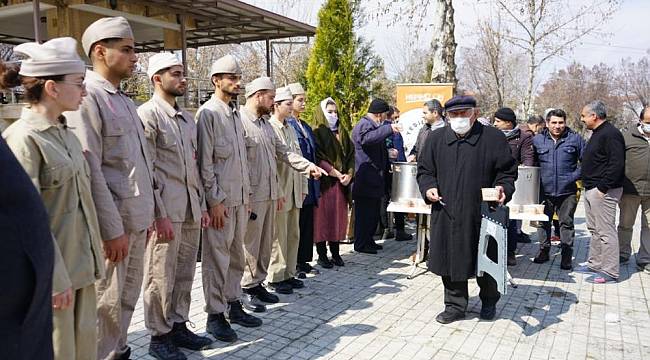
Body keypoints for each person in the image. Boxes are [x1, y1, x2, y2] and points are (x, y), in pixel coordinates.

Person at [1, 38, 103, 360]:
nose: (84, 91)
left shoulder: (66, 135)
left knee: (85, 350)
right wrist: (55, 279)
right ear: (52, 88)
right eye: (78, 84)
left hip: (82, 269)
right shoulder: (21, 139)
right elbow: (25, 225)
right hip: (53, 282)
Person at [66, 17, 156, 360]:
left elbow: (138, 166)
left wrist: (150, 214)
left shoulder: (123, 100)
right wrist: (111, 229)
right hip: (113, 229)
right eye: (128, 50)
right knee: (105, 308)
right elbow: (91, 171)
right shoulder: (89, 99)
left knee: (125, 301)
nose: (136, 57)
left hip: (135, 221)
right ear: (100, 52)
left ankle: (119, 352)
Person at [138, 53, 213, 359]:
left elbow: (193, 168)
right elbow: (147, 169)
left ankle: (178, 324)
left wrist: (203, 206)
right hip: (166, 212)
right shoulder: (148, 115)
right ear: (158, 78)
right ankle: (159, 335)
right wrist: (158, 214)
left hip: (190, 209)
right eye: (176, 74)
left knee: (183, 272)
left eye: (183, 74)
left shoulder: (186, 119)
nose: (183, 79)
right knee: (160, 275)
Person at [417, 95, 517, 324]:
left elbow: (507, 172)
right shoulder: (436, 138)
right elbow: (424, 171)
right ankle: (454, 305)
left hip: (483, 212)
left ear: (475, 113)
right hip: (447, 210)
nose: (459, 118)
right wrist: (429, 187)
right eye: (454, 114)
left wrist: (503, 188)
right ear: (447, 116)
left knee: (486, 259)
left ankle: (489, 301)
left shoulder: (492, 138)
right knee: (450, 260)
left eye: (464, 113)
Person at [196, 55, 261, 342]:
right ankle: (214, 315)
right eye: (231, 78)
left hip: (238, 200)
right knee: (216, 261)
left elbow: (241, 163)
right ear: (216, 81)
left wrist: (246, 197)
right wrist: (214, 201)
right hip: (221, 203)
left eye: (238, 78)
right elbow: (205, 164)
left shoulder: (234, 115)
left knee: (236, 257)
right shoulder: (208, 114)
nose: (237, 83)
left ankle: (234, 305)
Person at [239, 78, 322, 304]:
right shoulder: (242, 122)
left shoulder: (270, 126)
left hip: (279, 191)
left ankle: (268, 279)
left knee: (279, 239)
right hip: (258, 194)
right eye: (272, 97)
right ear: (258, 95)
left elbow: (286, 153)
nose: (274, 101)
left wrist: (308, 168)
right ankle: (254, 284)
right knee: (258, 244)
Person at [267, 87, 324, 293]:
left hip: (294, 190)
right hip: (281, 191)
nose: (291, 107)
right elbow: (272, 165)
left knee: (293, 234)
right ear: (276, 106)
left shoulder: (290, 128)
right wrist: (277, 192)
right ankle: (276, 277)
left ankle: (289, 273)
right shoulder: (271, 128)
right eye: (288, 103)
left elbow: (297, 159)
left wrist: (302, 188)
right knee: (278, 237)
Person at [578, 100, 625, 284]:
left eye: (583, 115)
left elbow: (617, 164)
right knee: (594, 230)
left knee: (606, 231)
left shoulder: (611, 134)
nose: (582, 119)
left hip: (603, 191)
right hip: (592, 189)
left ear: (593, 116)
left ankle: (610, 272)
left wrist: (603, 188)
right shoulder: (598, 133)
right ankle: (595, 264)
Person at [532, 109, 585, 270]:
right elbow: (531, 163)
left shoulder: (575, 139)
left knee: (566, 223)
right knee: (542, 222)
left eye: (560, 122)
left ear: (565, 123)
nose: (557, 126)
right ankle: (544, 250)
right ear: (547, 123)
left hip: (567, 191)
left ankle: (567, 255)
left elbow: (586, 162)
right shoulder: (538, 140)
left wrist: (573, 177)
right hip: (543, 190)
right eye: (554, 122)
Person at [351, 98, 401, 254]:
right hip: (365, 178)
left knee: (372, 213)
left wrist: (387, 153)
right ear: (379, 115)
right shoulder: (364, 125)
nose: (387, 120)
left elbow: (373, 148)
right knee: (364, 213)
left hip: (374, 178)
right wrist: (389, 129)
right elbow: (366, 140)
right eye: (386, 116)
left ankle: (369, 240)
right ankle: (361, 243)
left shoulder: (373, 125)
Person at [313, 97, 355, 266]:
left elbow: (351, 155)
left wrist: (349, 174)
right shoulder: (317, 132)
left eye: (335, 112)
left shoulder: (342, 131)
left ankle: (336, 252)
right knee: (322, 219)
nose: (333, 115)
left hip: (341, 184)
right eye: (329, 112)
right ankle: (322, 254)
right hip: (325, 182)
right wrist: (336, 173)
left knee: (338, 218)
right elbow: (318, 157)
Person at [286, 82, 321, 277]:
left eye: (304, 100)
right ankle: (295, 263)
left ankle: (305, 260)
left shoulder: (304, 125)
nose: (303, 104)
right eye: (300, 100)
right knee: (295, 226)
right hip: (297, 180)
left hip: (310, 180)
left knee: (307, 223)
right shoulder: (288, 125)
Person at [493, 107, 534, 266]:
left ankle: (510, 252)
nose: (495, 124)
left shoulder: (523, 137)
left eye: (498, 121)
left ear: (508, 122)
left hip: (512, 182)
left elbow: (528, 160)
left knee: (509, 219)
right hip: (493, 182)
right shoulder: (493, 135)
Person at [618, 105, 650, 273]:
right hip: (630, 190)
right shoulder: (627, 137)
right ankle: (622, 253)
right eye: (648, 122)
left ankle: (645, 258)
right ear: (640, 120)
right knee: (625, 224)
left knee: (649, 227)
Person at [380, 106, 412, 241]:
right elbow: (398, 151)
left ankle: (385, 229)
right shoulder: (394, 131)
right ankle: (399, 230)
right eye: (396, 117)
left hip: (383, 169)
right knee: (398, 199)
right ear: (390, 116)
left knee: (384, 198)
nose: (398, 120)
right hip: (395, 170)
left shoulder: (379, 129)